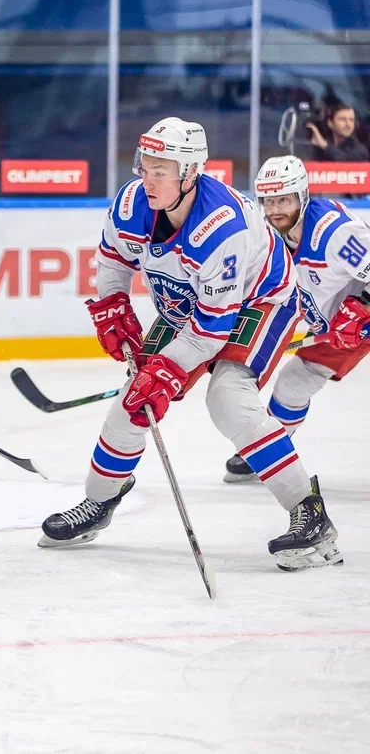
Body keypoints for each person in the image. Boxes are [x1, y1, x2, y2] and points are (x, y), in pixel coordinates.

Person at [39, 117, 342, 572]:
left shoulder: (222, 228)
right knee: (132, 401)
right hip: (188, 306)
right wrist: (115, 304)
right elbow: (112, 260)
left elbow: (211, 331)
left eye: (162, 169)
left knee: (228, 399)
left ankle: (309, 510)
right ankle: (99, 501)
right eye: (145, 165)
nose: (148, 177)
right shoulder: (131, 202)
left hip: (259, 304)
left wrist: (166, 369)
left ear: (190, 172)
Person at [223, 155, 370, 483]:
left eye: (284, 200)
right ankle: (268, 449)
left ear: (302, 196)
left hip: (360, 316)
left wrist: (361, 308)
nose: (276, 210)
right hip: (342, 329)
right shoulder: (266, 237)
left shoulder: (334, 232)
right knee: (293, 384)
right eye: (269, 201)